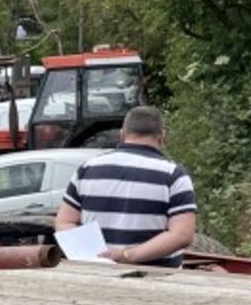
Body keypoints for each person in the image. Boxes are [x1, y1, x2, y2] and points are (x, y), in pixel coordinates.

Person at [53, 105, 197, 266]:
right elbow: (182, 235)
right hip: (156, 280)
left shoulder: (88, 169)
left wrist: (92, 254)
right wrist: (127, 255)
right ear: (162, 137)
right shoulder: (173, 175)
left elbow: (64, 222)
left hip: (97, 275)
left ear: (122, 135)